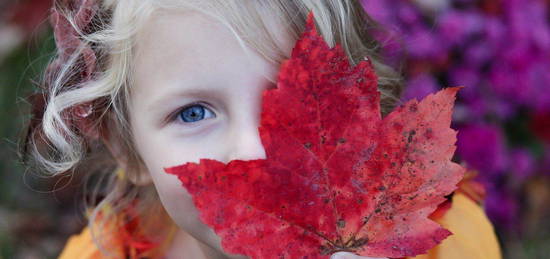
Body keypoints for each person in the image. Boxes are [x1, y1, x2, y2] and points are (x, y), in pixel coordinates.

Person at [20, 0, 502, 258]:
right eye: (193, 113)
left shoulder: (449, 242)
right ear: (127, 149)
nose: (255, 151)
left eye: (291, 99)